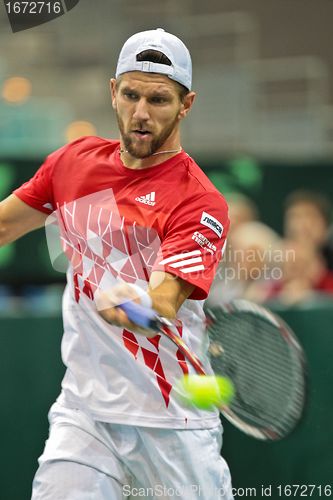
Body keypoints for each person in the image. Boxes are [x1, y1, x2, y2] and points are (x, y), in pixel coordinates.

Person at [0, 29, 233, 499]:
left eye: (159, 100)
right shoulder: (72, 163)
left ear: (186, 105)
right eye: (130, 95)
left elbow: (164, 302)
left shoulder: (199, 201)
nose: (141, 113)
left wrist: (137, 306)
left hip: (172, 422)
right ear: (113, 92)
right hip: (84, 413)